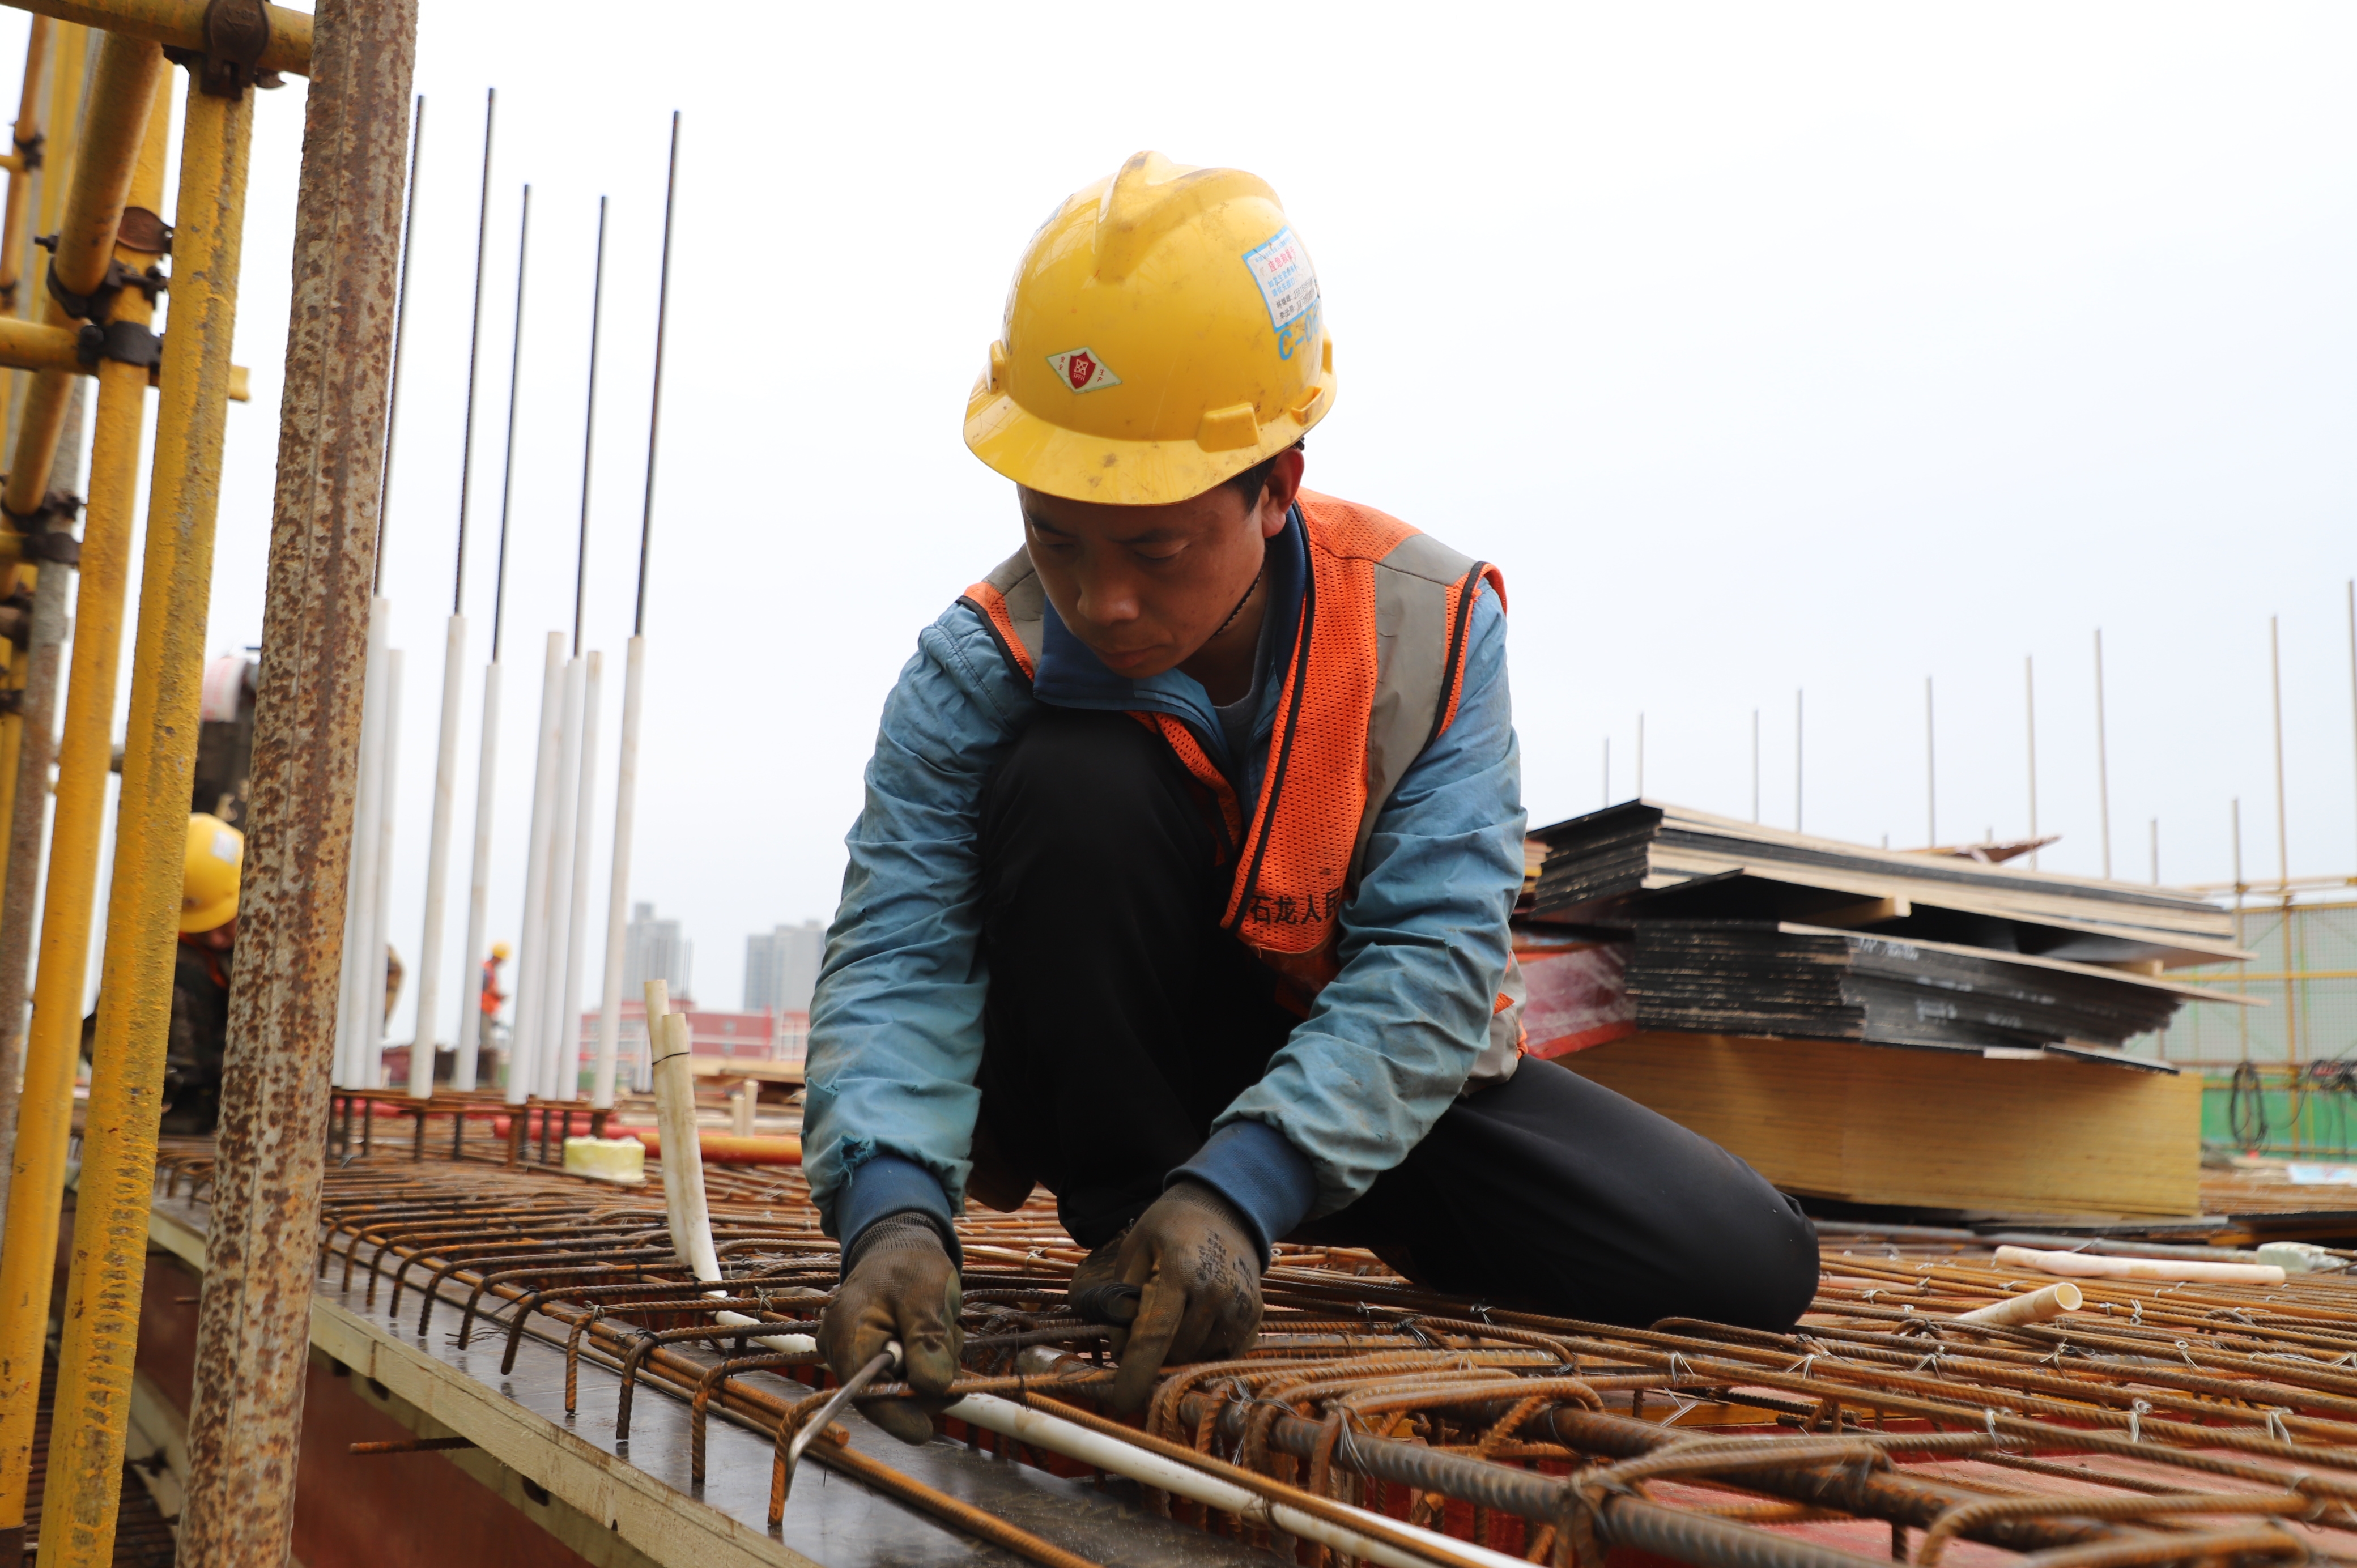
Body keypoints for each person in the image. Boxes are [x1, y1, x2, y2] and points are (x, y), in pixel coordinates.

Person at [805, 152, 1818, 1436]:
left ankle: (1214, 1224)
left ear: (1276, 486)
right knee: (1079, 783)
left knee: (1749, 1267)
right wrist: (891, 1208)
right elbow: (900, 953)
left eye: (1155, 546)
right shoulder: (980, 662)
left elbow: (1433, 959)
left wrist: (1246, 1185)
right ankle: (1134, 1251)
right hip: (1102, 1069)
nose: (1098, 598)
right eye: (1055, 535)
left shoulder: (1424, 627)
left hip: (1355, 1078)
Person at [164, 812, 242, 1135]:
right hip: (202, 1076)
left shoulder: (300, 931)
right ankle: (191, 1097)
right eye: (203, 926)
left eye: (224, 922)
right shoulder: (171, 951)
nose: (214, 938)